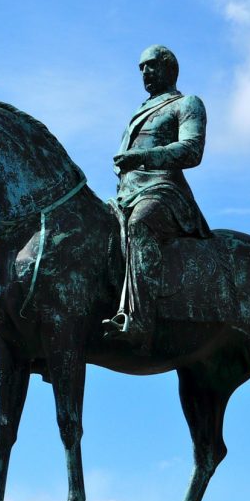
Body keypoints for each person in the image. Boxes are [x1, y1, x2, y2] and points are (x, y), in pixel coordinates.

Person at [103, 45, 211, 352]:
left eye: (151, 66)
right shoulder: (139, 110)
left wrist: (142, 157)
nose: (145, 73)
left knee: (140, 224)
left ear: (169, 68)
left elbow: (192, 150)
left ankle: (139, 320)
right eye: (141, 68)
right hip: (127, 195)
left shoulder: (186, 103)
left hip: (165, 193)